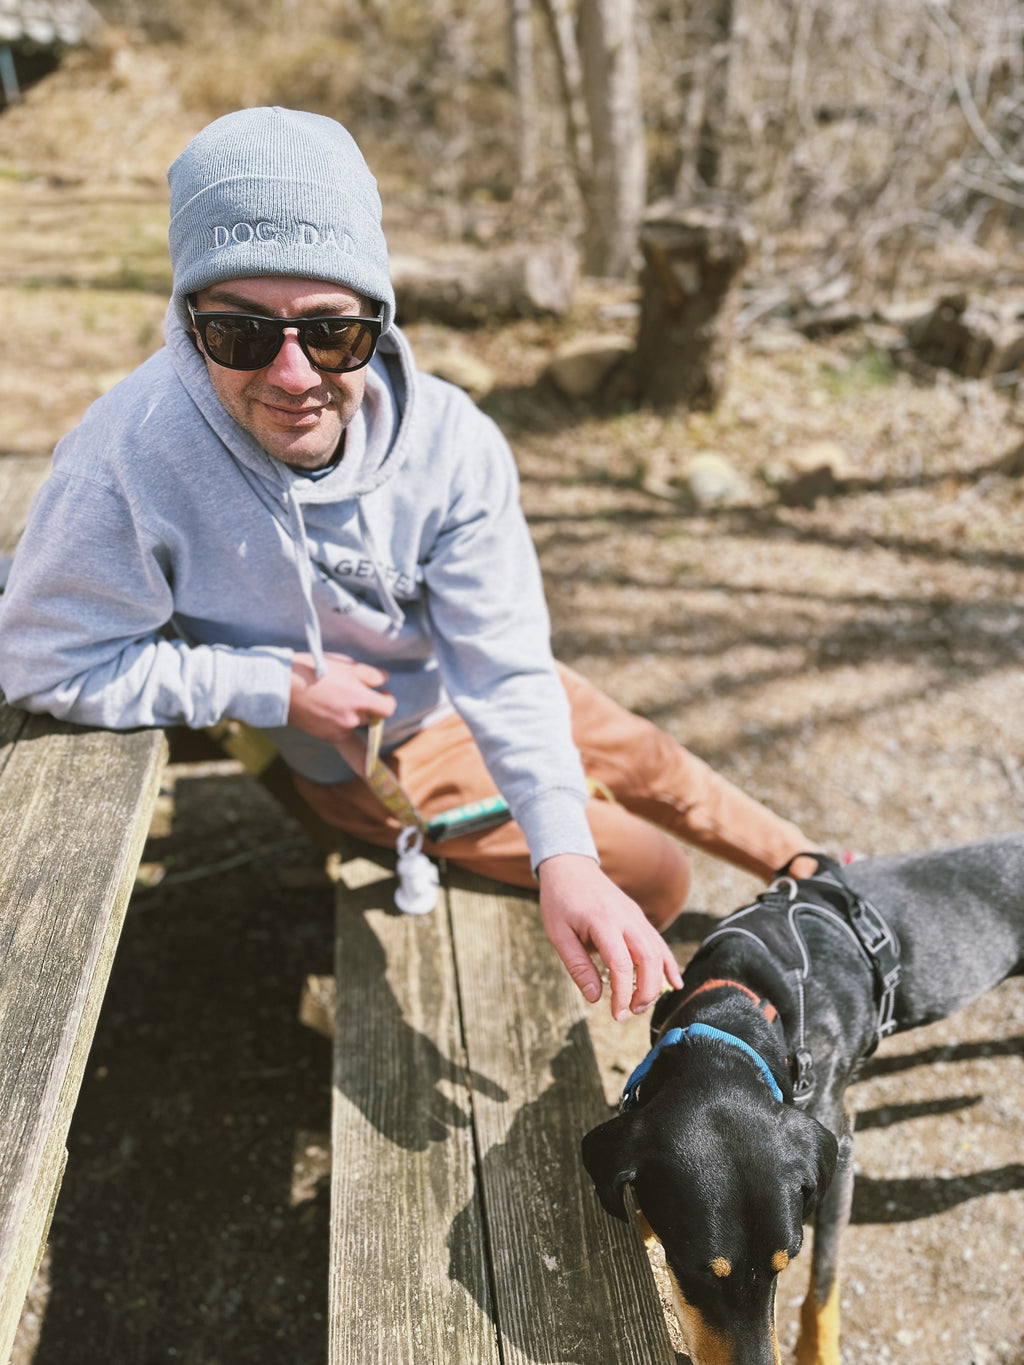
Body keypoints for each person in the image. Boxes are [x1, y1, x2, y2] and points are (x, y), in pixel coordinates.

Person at [0, 107, 818, 1022]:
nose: (293, 374)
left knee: (654, 764)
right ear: (189, 321)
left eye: (331, 332)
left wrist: (563, 851)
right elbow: (43, 658)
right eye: (239, 333)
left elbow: (505, 667)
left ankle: (829, 881)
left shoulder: (454, 443)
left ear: (380, 321)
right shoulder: (126, 454)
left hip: (454, 674)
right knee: (656, 876)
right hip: (364, 749)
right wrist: (270, 687)